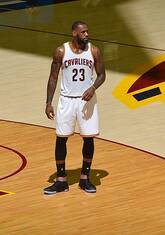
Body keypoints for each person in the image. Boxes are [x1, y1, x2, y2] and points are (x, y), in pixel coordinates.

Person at [43, 20, 106, 194]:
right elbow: (53, 77)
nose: (87, 34)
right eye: (83, 32)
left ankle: (85, 178)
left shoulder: (93, 51)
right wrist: (48, 102)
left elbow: (102, 75)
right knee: (61, 138)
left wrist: (93, 88)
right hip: (67, 100)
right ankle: (61, 180)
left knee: (88, 137)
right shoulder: (61, 51)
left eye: (87, 31)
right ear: (74, 33)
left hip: (86, 100)